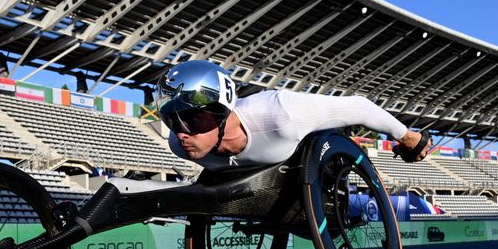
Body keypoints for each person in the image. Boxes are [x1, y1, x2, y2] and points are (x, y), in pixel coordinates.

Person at [156, 60, 431, 171]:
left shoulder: (281, 113)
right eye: (172, 122)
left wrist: (406, 136)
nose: (182, 133)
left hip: (308, 151)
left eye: (194, 120)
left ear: (222, 113)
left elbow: (359, 106)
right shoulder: (178, 146)